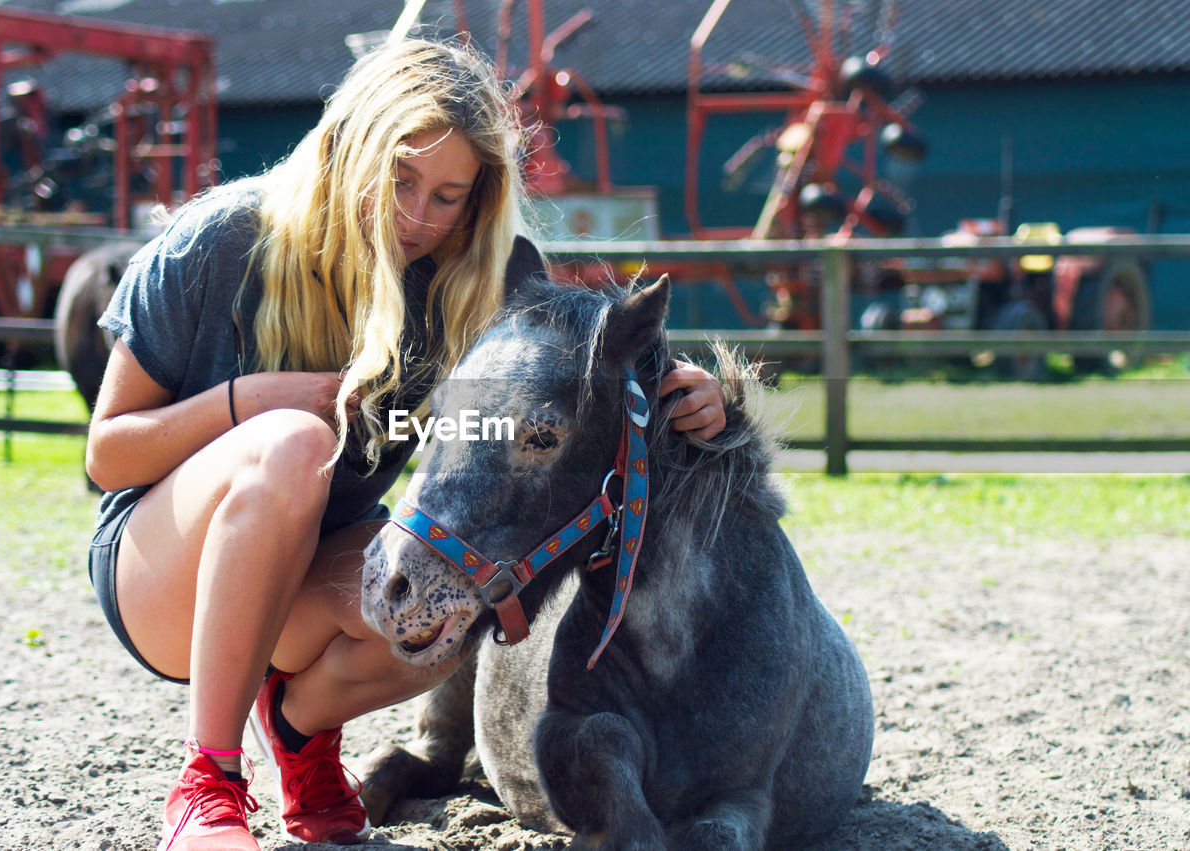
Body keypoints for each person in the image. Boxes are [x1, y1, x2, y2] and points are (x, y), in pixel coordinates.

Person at [85, 37, 727, 851]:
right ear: (351, 150)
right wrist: (246, 401)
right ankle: (206, 782)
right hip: (163, 576)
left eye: (449, 196)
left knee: (459, 594)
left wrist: (692, 387)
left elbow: (583, 353)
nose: (419, 217)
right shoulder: (215, 241)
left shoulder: (462, 285)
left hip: (308, 576)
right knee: (289, 442)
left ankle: (297, 729)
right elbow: (108, 454)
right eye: (400, 181)